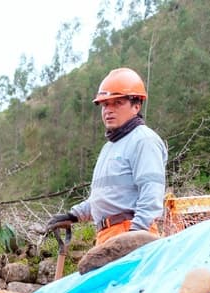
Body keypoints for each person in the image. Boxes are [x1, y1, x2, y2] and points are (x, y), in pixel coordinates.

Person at [46, 68, 168, 246]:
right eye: (105, 105)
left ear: (136, 105)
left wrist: (134, 237)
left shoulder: (144, 141)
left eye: (117, 103)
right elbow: (107, 198)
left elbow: (151, 195)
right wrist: (73, 215)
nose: (108, 110)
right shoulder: (110, 147)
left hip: (130, 231)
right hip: (107, 235)